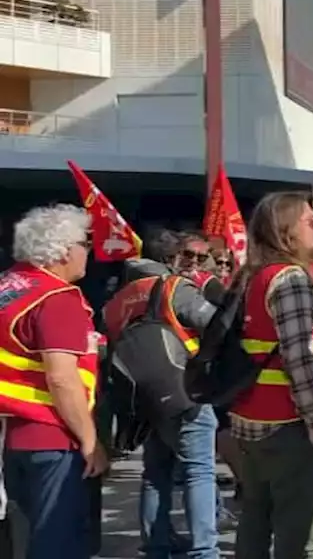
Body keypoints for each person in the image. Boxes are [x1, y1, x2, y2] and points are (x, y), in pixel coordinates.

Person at [104, 229, 222, 559]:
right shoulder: (172, 287)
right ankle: (205, 551)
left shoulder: (117, 300)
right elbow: (215, 323)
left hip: (142, 400)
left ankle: (155, 546)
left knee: (155, 474)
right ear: (169, 260)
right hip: (184, 390)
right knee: (200, 471)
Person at [0, 205, 109, 559]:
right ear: (63, 251)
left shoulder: (8, 288)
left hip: (14, 435)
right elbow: (62, 378)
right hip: (53, 436)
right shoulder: (57, 298)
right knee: (58, 540)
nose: (88, 252)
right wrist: (91, 441)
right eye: (85, 243)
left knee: (25, 536)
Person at [229, 192, 313, 559]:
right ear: (286, 232)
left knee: (256, 517)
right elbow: (299, 354)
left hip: (251, 419)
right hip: (287, 422)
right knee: (301, 531)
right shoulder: (290, 279)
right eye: (309, 220)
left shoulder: (251, 275)